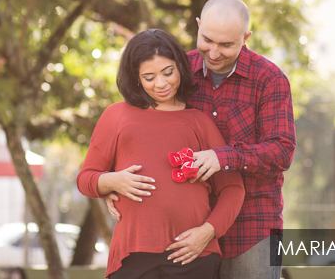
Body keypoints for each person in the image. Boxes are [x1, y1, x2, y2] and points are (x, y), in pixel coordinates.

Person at [107, 0, 296, 279]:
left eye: (227, 44)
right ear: (198, 26)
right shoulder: (176, 72)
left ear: (246, 37)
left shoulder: (269, 79)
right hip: (187, 233)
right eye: (207, 40)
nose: (215, 52)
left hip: (252, 226)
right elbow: (140, 131)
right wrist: (111, 182)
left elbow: (282, 151)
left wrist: (222, 157)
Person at [77, 28, 245, 278]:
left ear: (180, 67)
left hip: (193, 253)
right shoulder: (116, 116)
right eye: (149, 76)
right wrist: (112, 181)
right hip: (132, 255)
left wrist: (208, 232)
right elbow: (85, 179)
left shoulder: (199, 122)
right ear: (136, 78)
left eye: (168, 72)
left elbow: (233, 188)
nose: (161, 84)